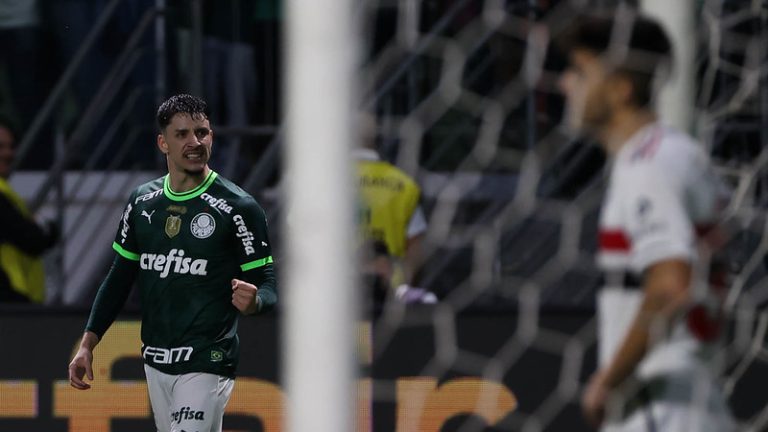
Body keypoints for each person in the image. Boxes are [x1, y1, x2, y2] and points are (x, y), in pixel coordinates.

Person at [557, 11, 736, 432]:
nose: (565, 84)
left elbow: (671, 285)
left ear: (620, 90)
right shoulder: (677, 152)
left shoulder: (647, 166)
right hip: (691, 402)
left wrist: (606, 382)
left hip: (659, 409)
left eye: (579, 73)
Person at [67, 94, 277, 432]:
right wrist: (88, 343)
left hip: (207, 359)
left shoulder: (239, 207)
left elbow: (267, 283)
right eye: (182, 134)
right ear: (163, 143)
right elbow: (119, 278)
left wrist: (256, 301)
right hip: (156, 361)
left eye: (202, 132)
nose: (194, 142)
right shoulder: (141, 202)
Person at [356, 114, 433, 303]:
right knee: (366, 332)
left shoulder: (319, 181)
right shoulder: (402, 184)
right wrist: (404, 281)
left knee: (356, 333)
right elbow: (416, 247)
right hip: (387, 293)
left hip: (331, 294)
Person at [0, 116, 58, 302]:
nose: (9, 153)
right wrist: (46, 227)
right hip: (9, 302)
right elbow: (33, 239)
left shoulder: (6, 192)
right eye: (0, 147)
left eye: (11, 146)